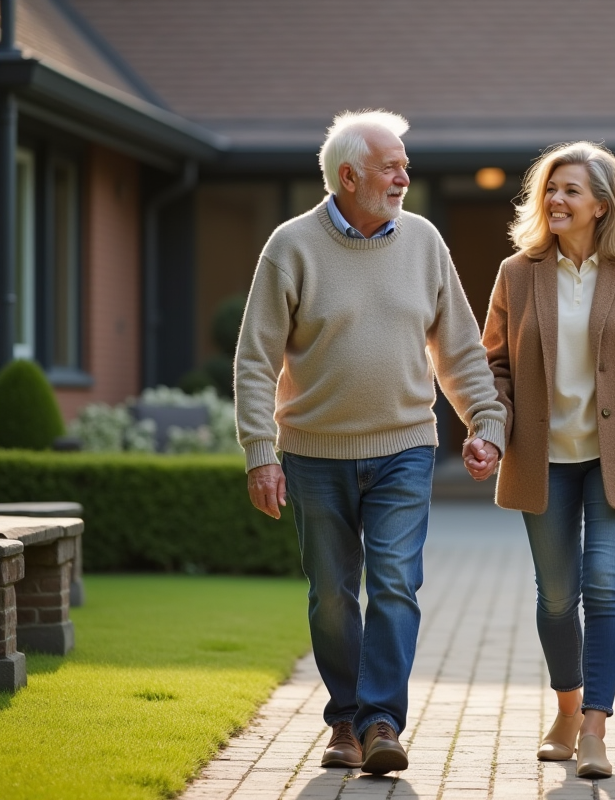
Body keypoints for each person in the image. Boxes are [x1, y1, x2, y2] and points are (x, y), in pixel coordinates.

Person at [234, 110, 504, 776]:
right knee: (331, 594)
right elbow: (255, 359)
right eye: (392, 166)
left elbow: (460, 348)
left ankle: (381, 720)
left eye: (405, 165)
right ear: (348, 176)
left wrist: (485, 423)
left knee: (394, 585)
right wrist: (260, 453)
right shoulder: (290, 247)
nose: (405, 177)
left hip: (405, 447)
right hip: (314, 452)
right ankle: (346, 720)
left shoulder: (424, 242)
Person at [482, 141, 615, 779]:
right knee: (556, 598)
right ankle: (566, 709)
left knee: (604, 585)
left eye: (571, 190)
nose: (557, 200)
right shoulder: (518, 273)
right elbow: (494, 367)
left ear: (602, 204)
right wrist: (489, 428)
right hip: (542, 459)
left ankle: (595, 727)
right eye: (550, 188)